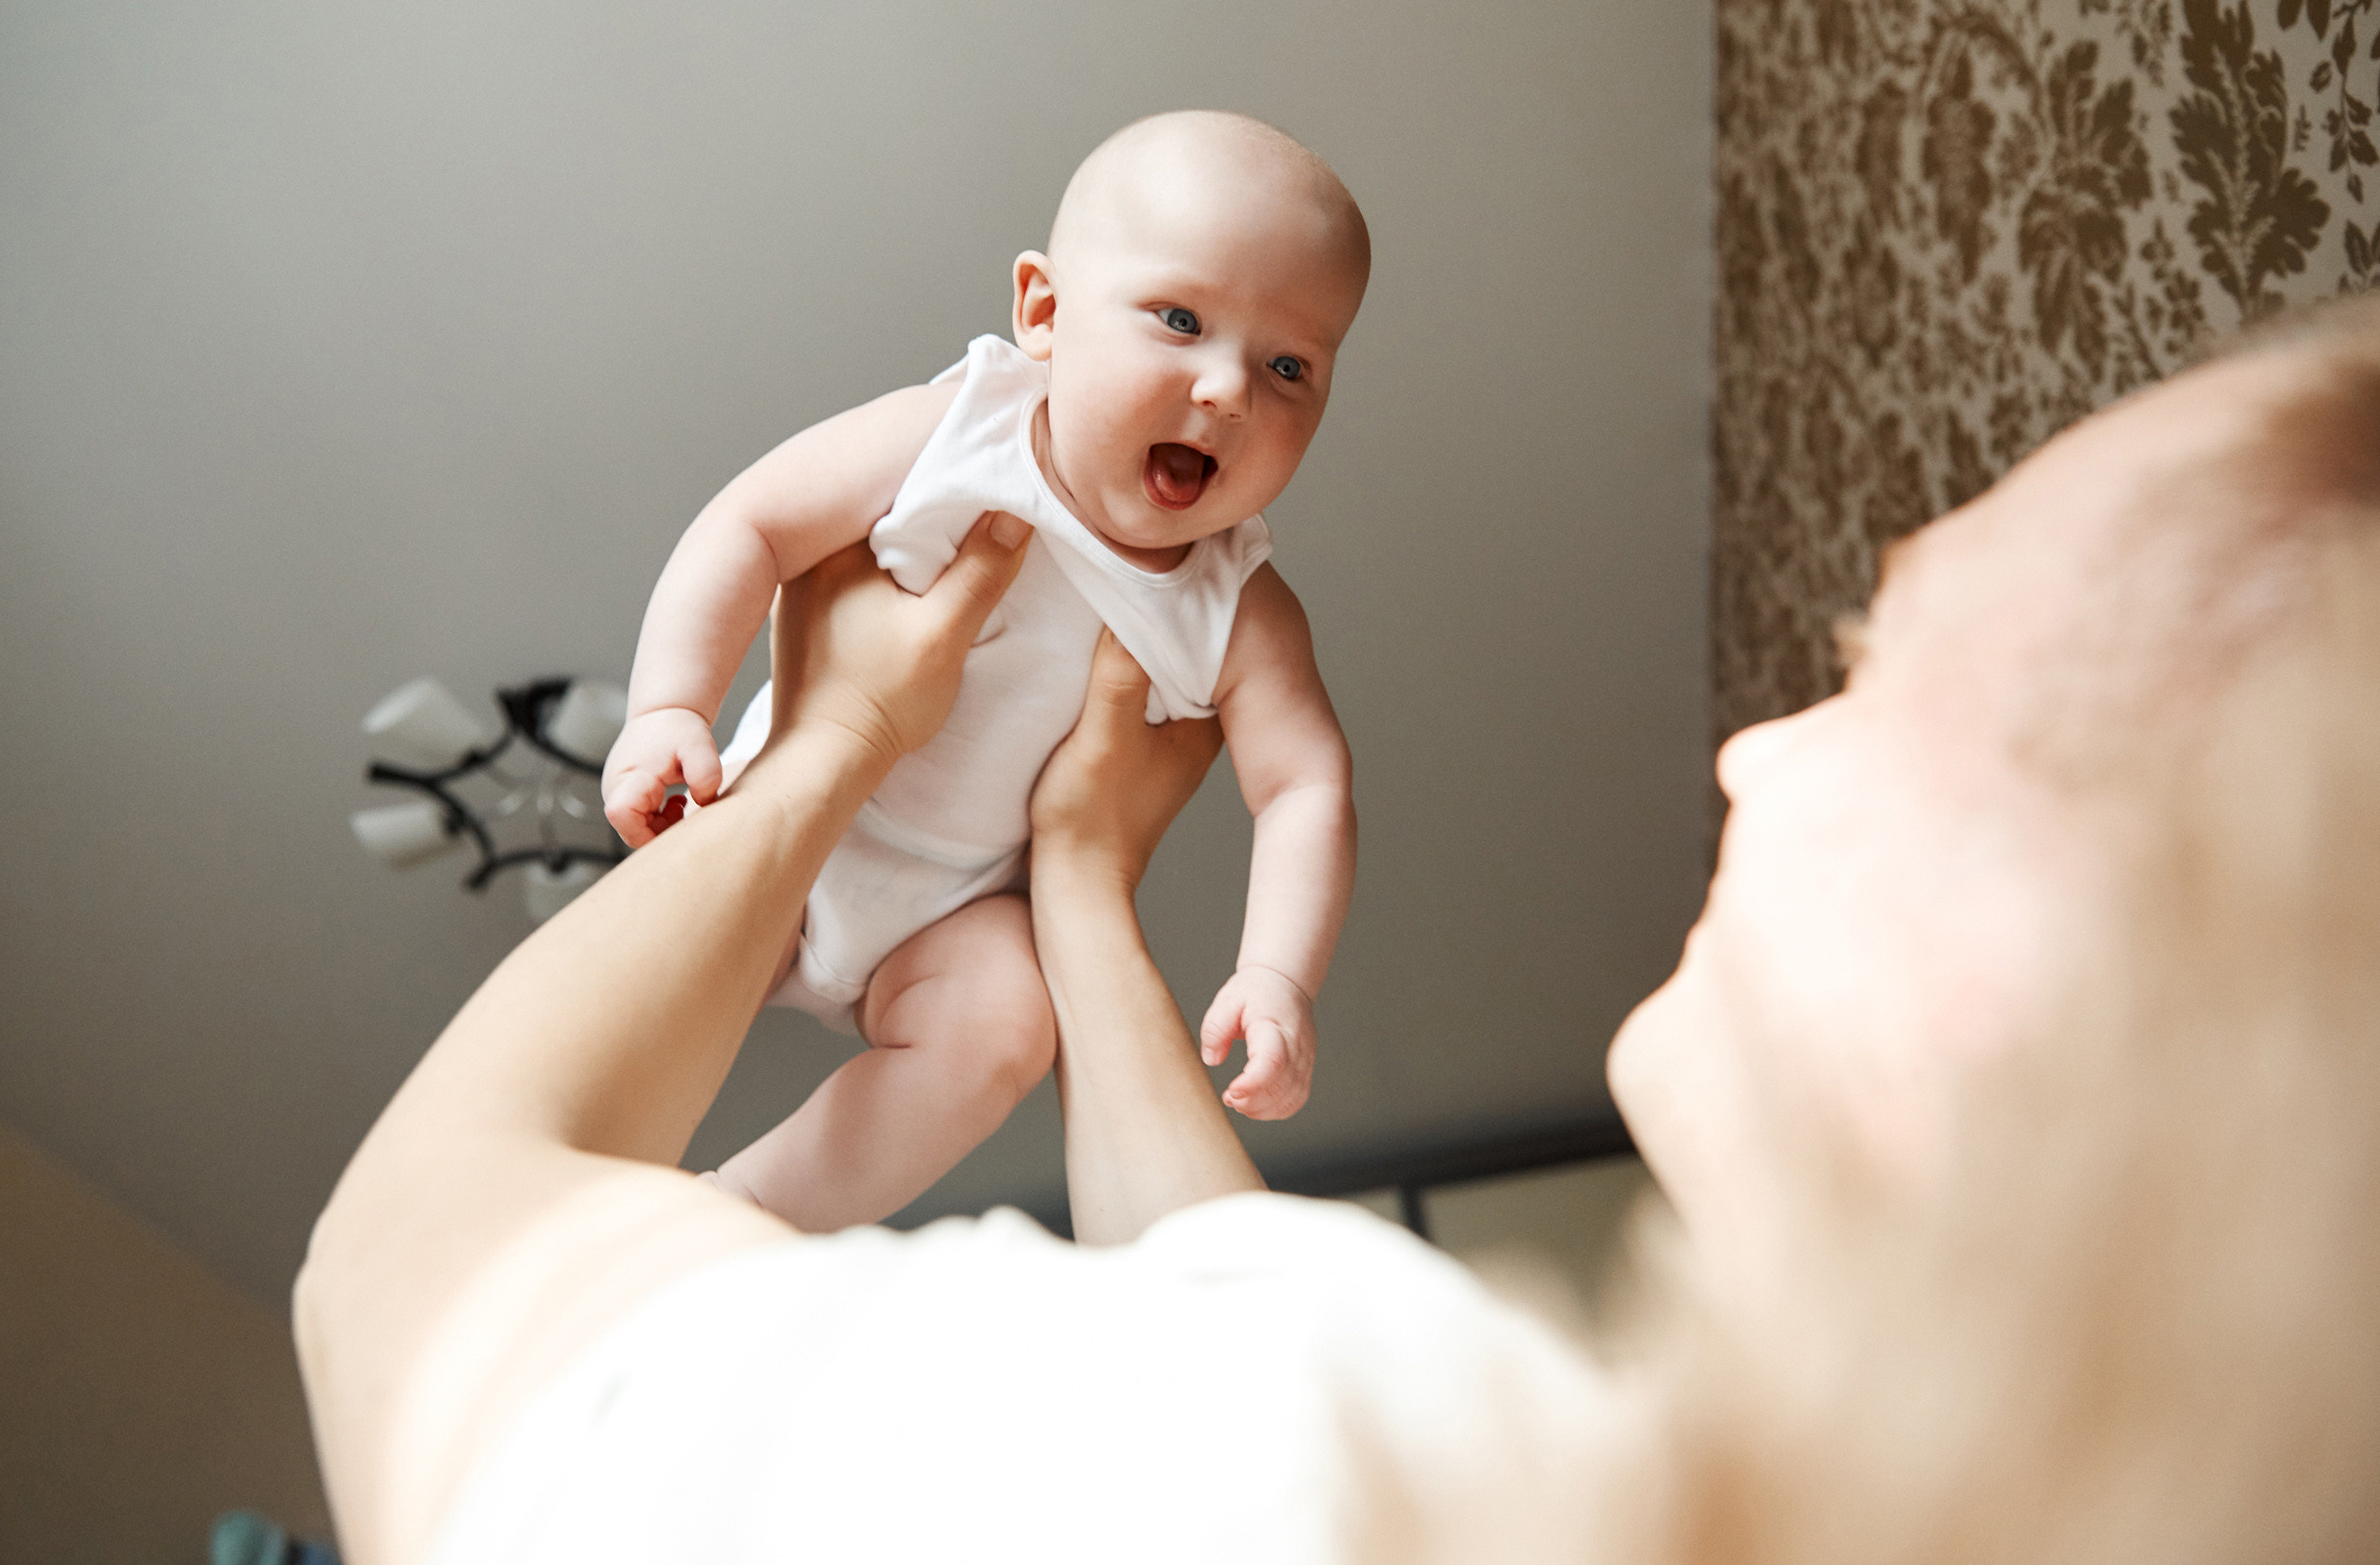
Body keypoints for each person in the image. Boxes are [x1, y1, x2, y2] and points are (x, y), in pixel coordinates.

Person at [296, 295, 2380, 1565]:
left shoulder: (1332, 1478)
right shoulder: (1509, 1439)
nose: (1755, 745)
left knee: (965, 1026)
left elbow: (408, 1257)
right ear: (1045, 312)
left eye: (1882, 662)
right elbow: (1250, 1300)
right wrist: (1090, 882)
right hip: (967, 874)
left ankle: (752, 1190)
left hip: (905, 889)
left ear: (2169, 956)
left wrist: (835, 736)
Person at [599, 110, 1367, 1229]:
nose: (1226, 390)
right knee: (657, 962)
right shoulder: (963, 434)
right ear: (1045, 312)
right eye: (1180, 319)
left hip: (958, 913)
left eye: (1288, 364)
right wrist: (669, 702)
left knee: (1005, 1031)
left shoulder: (1237, 606)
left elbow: (1305, 787)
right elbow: (752, 525)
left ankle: (740, 1218)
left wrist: (1278, 973)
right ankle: (564, 1176)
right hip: (790, 816)